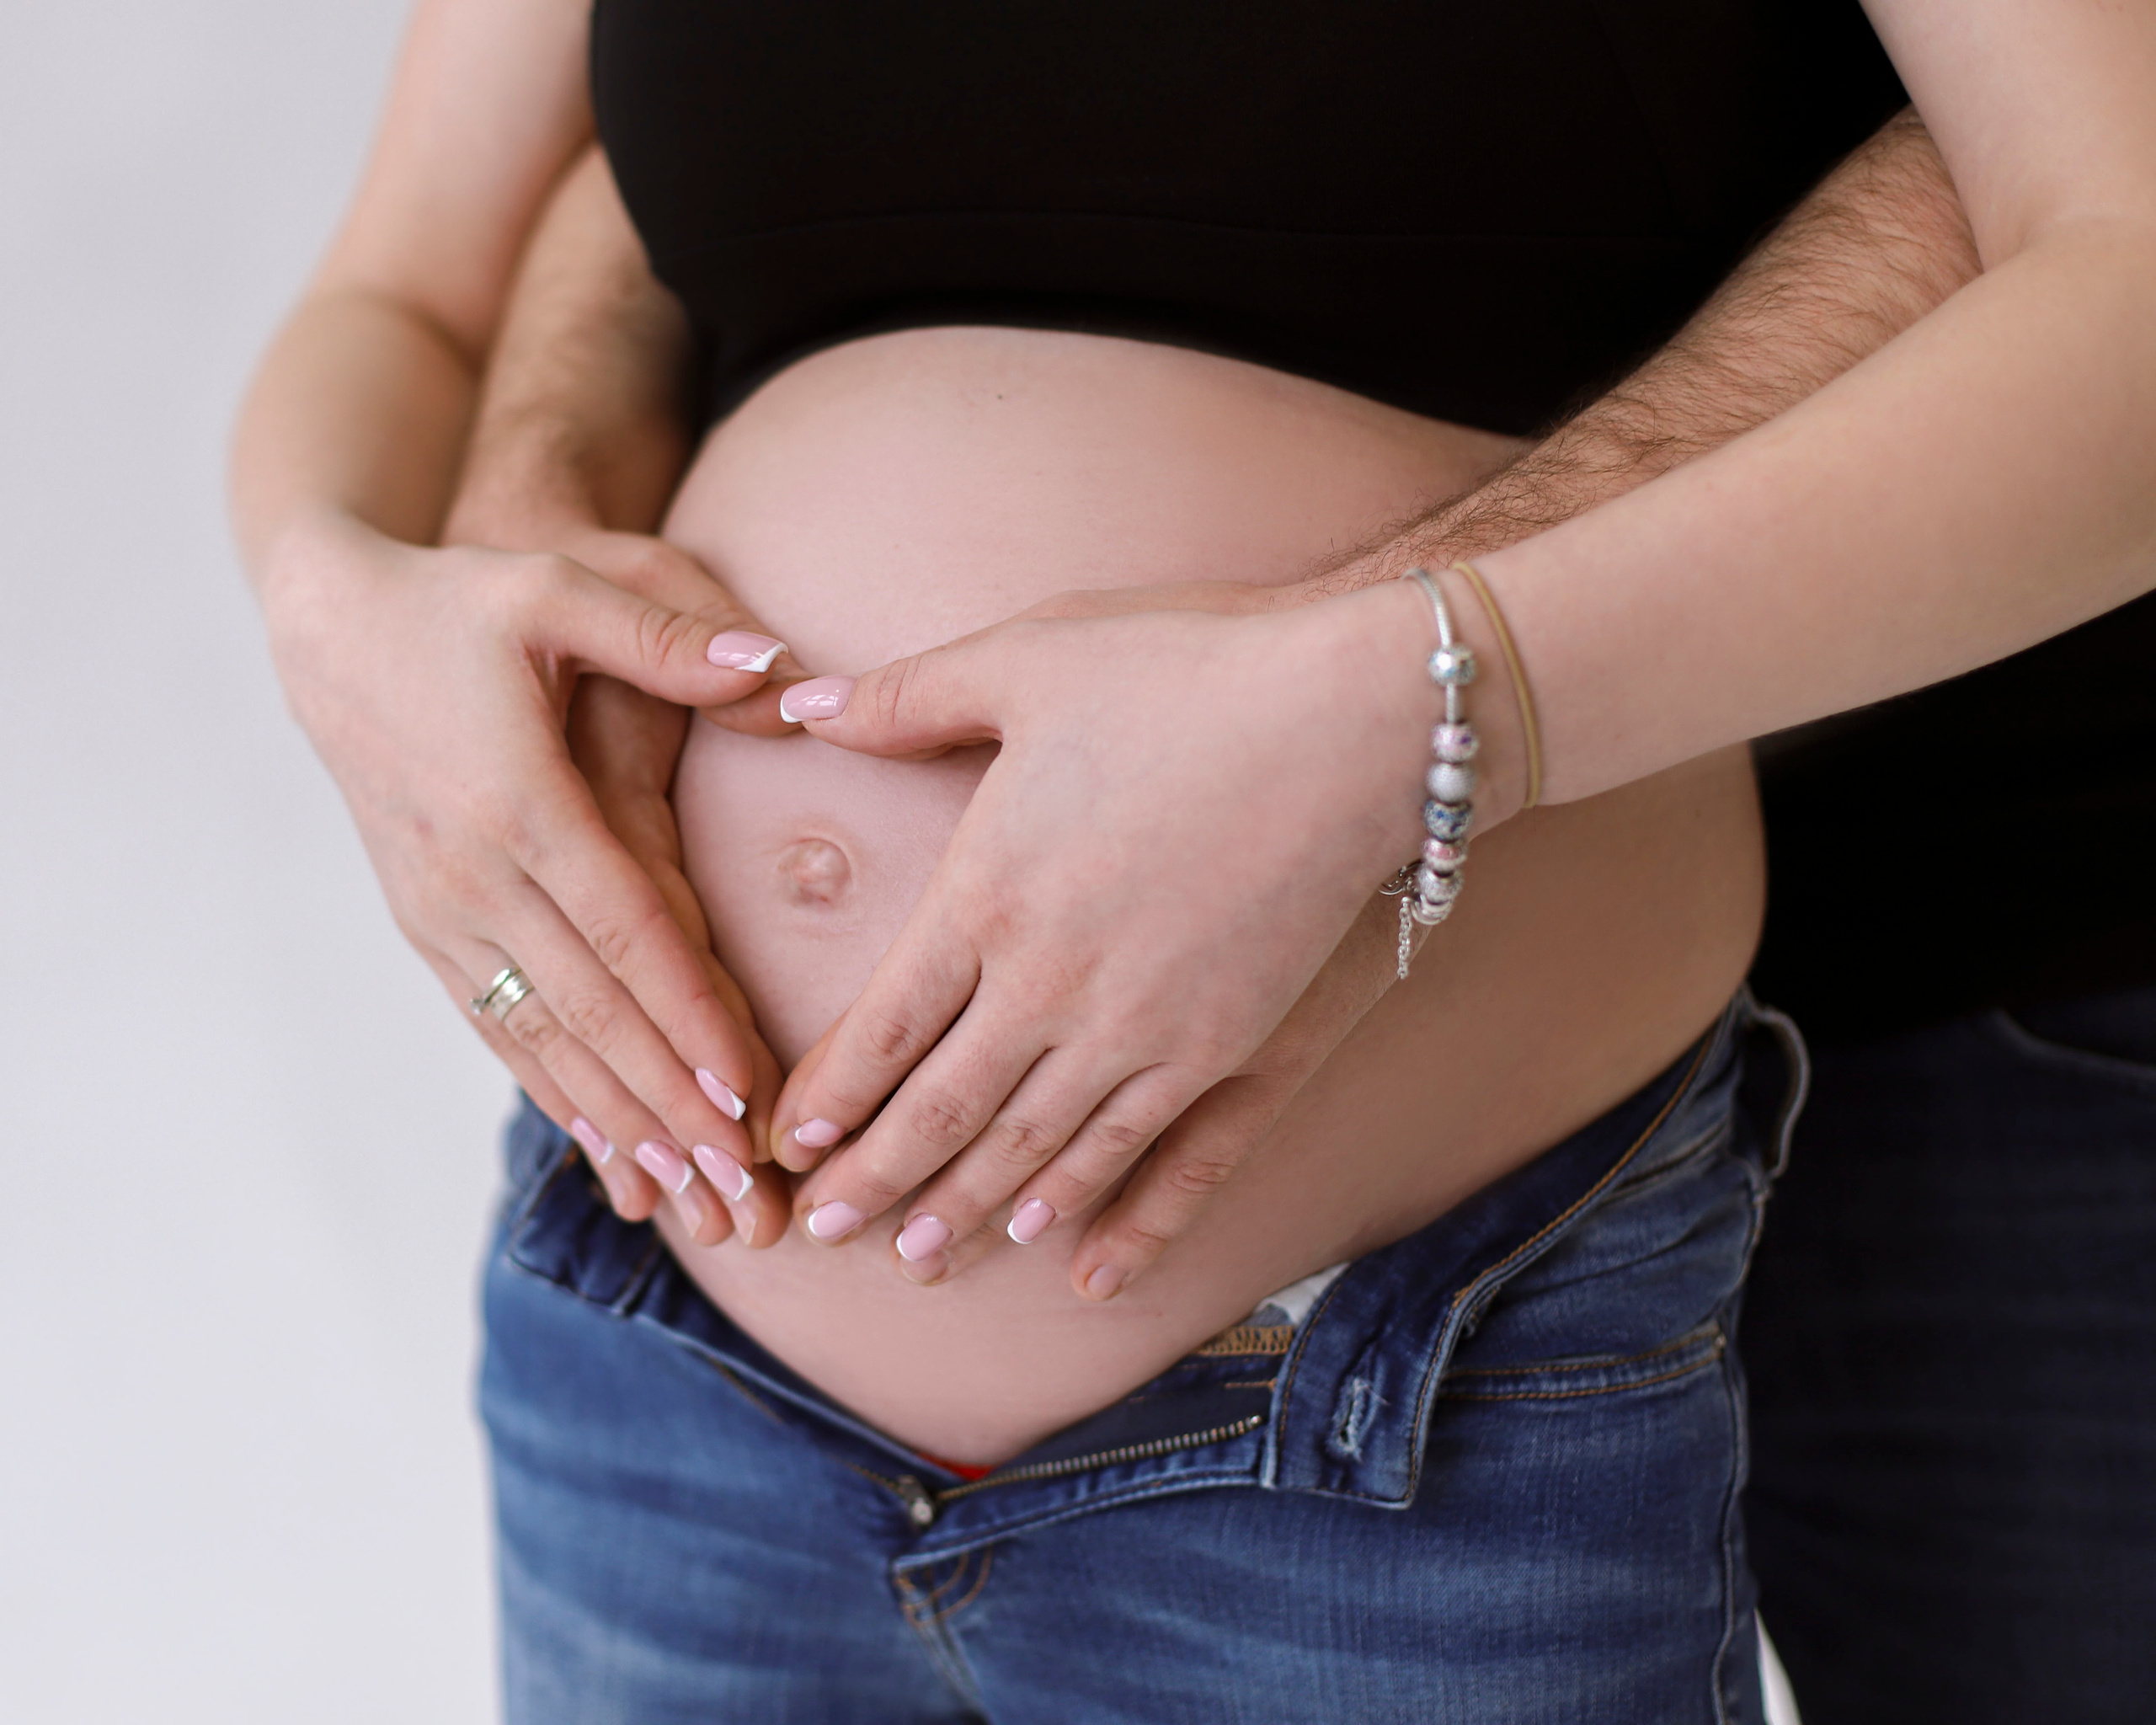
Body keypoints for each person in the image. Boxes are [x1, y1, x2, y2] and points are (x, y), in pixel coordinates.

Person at [229, 3, 2156, 1719]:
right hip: (668, 1350)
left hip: (1424, 1362)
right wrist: (337, 610)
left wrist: (1404, 704)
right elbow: (412, 291)